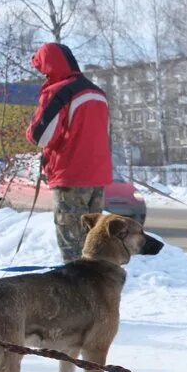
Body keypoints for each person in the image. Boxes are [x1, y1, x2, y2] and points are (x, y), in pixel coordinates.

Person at [25, 42, 113, 263]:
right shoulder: (97, 92)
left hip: (70, 177)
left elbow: (40, 135)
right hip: (98, 178)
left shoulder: (60, 92)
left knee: (73, 249)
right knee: (94, 245)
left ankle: (77, 295)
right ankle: (97, 294)